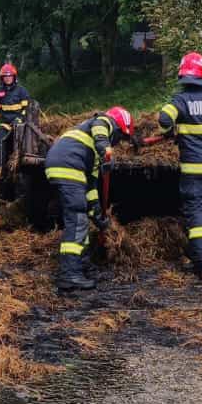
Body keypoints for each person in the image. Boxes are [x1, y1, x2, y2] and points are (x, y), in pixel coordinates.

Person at [156, 52, 202, 278]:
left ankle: (200, 262)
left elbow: (164, 119)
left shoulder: (180, 100)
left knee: (195, 212)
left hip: (194, 168)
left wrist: (170, 132)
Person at [43, 106, 133, 292]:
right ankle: (69, 275)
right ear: (118, 127)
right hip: (68, 165)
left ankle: (81, 264)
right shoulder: (103, 121)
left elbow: (90, 187)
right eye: (121, 136)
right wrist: (105, 150)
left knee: (82, 215)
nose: (118, 142)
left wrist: (98, 215)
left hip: (66, 165)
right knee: (77, 219)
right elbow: (101, 128)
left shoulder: (91, 155)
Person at [0, 63, 31, 171]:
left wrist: (19, 119)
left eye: (10, 76)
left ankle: (19, 170)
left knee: (21, 147)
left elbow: (27, 109)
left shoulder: (22, 91)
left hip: (20, 125)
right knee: (0, 142)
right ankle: (1, 171)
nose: (8, 78)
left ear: (14, 77)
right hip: (5, 125)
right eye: (5, 76)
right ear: (2, 78)